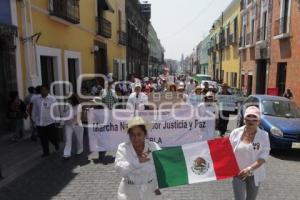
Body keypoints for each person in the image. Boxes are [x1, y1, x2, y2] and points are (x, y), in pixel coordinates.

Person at [115, 116, 161, 200]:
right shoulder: (123, 148)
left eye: (139, 134)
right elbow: (120, 171)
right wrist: (137, 162)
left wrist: (156, 185)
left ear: (145, 134)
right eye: (132, 134)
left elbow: (159, 168)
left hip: (150, 192)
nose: (136, 138)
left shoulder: (153, 147)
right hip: (128, 193)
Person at [230, 106, 270, 200]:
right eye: (248, 118)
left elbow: (264, 157)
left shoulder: (264, 135)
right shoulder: (235, 133)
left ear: (259, 121)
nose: (250, 121)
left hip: (254, 174)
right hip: (238, 174)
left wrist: (249, 169)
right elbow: (227, 151)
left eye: (254, 119)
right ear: (244, 120)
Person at [32, 85, 60, 157]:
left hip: (50, 122)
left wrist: (57, 121)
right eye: (41, 90)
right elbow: (34, 110)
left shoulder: (52, 99)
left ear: (48, 91)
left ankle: (56, 143)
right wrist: (34, 120)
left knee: (51, 137)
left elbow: (56, 110)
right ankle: (46, 152)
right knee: (43, 138)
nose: (43, 91)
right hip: (40, 123)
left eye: (44, 90)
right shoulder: (37, 99)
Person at [97, 80, 119, 163]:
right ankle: (104, 143)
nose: (109, 85)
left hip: (111, 112)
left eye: (110, 84)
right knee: (104, 128)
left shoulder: (113, 91)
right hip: (103, 112)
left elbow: (116, 101)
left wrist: (112, 106)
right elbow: (99, 101)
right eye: (108, 84)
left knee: (109, 127)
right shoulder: (102, 91)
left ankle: (108, 138)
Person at [62, 94, 84, 160]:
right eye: (67, 100)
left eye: (69, 100)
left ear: (73, 100)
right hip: (68, 125)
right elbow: (64, 114)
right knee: (68, 139)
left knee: (79, 139)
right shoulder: (67, 105)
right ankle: (66, 154)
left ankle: (80, 149)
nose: (68, 101)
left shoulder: (79, 106)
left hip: (77, 124)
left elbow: (79, 116)